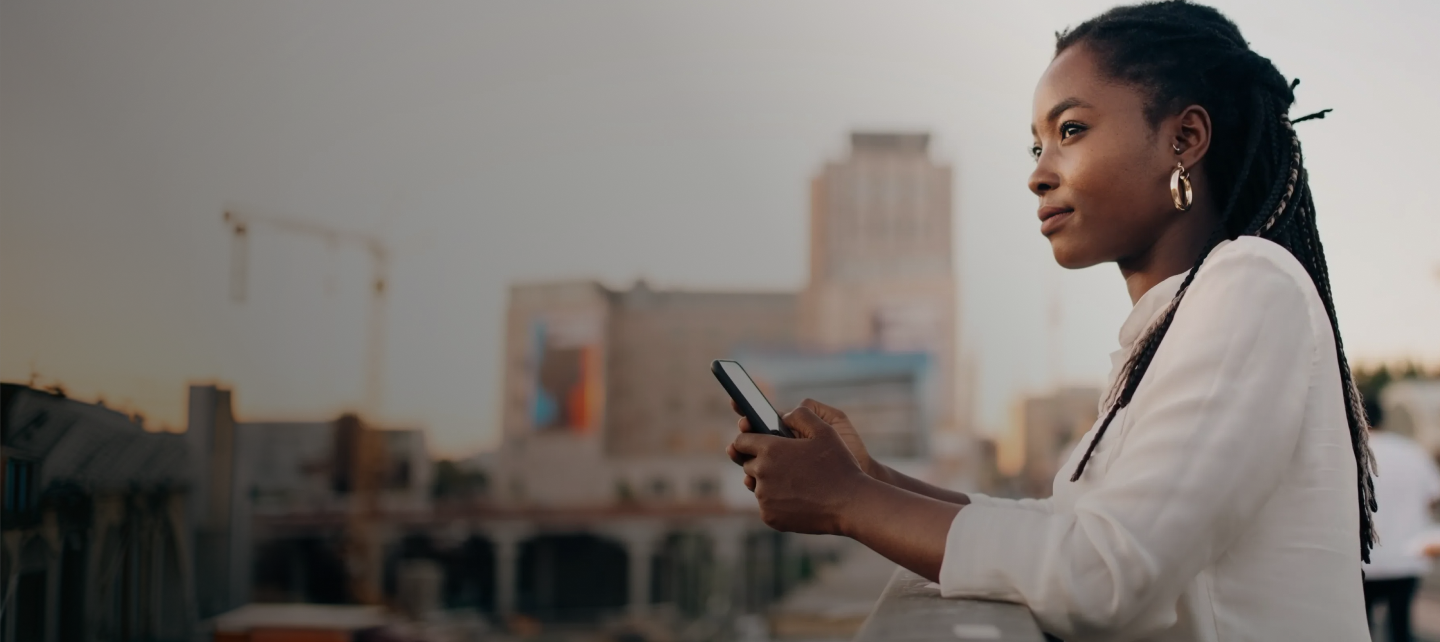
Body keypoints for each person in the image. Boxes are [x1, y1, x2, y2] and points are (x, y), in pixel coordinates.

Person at [725, 2, 1377, 640]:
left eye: (1070, 131)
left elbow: (1104, 576)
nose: (1038, 175)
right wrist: (869, 478)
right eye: (1036, 145)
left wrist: (849, 503)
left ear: (1184, 139)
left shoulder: (1251, 283)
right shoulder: (1168, 330)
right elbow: (1066, 528)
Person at [1363, 396, 1440, 642]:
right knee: (1401, 628)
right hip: (1406, 558)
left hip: (1363, 562)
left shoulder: (1350, 452)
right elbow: (1434, 498)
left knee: (1361, 630)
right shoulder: (1411, 451)